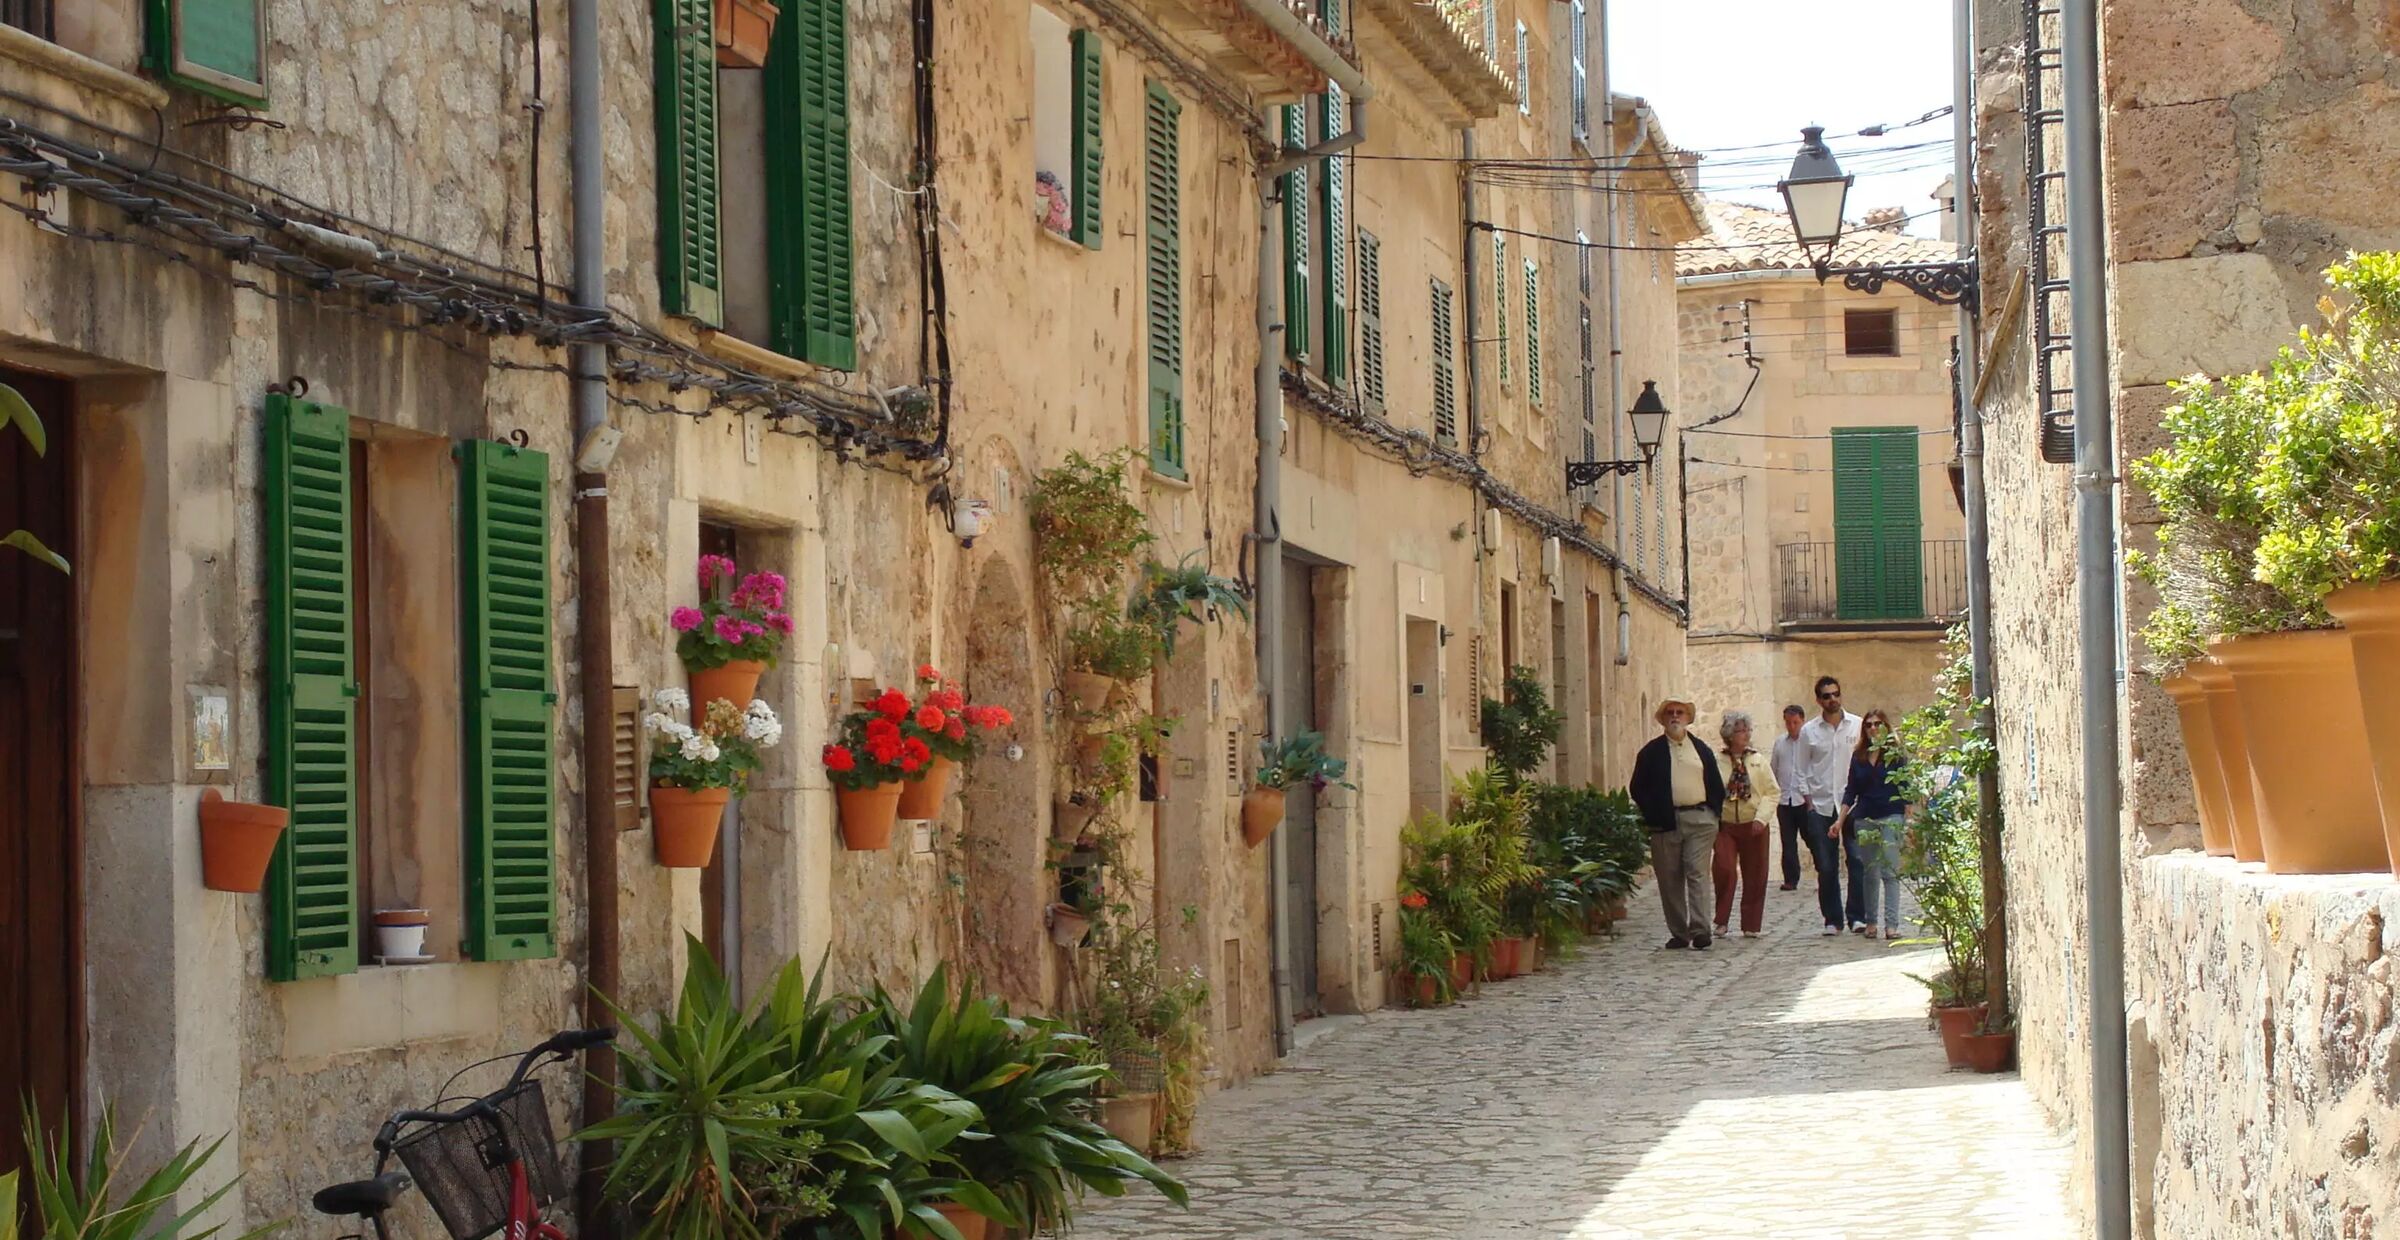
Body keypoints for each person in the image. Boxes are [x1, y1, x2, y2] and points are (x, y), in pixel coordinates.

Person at [1629, 696, 1726, 950]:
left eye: (1680, 712)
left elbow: (1715, 782)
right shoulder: (1651, 752)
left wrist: (1714, 813)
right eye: (1670, 712)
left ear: (1687, 718)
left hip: (1700, 819)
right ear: (1663, 719)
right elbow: (1638, 787)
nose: (1675, 716)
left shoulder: (1701, 749)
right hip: (1666, 822)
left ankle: (1701, 929)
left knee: (1697, 872)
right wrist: (1653, 814)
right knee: (1669, 878)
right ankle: (1679, 932)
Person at [1796, 675, 1864, 936]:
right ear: (1818, 700)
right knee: (1826, 865)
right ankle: (1832, 919)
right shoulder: (1808, 732)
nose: (1832, 699)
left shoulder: (1856, 726)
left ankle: (1857, 916)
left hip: (1853, 805)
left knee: (1857, 861)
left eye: (1835, 693)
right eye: (1826, 696)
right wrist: (1809, 803)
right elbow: (1801, 769)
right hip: (1822, 805)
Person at [1835, 710, 1912, 939]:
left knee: (1890, 872)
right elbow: (1851, 791)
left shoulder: (1895, 755)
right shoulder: (1858, 756)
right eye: (1868, 725)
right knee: (1869, 872)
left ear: (1886, 727)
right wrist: (1840, 821)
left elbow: (1905, 788)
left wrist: (1909, 820)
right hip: (1865, 818)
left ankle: (1892, 925)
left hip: (1891, 816)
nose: (1873, 728)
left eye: (1878, 724)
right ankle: (1871, 922)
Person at [1711, 710, 1778, 938]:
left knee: (1756, 874)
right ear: (1730, 734)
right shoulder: (1717, 761)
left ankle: (1751, 924)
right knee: (1724, 869)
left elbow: (1772, 792)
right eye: (1741, 730)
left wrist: (1762, 818)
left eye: (1748, 729)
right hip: (1726, 825)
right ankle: (1721, 920)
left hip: (1753, 823)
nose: (1746, 734)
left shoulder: (1758, 761)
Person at [1769, 704, 1810, 891]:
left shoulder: (1809, 743)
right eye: (1788, 722)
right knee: (1788, 841)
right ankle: (1791, 879)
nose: (1792, 726)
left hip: (1805, 799)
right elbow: (1774, 770)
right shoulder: (1779, 743)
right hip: (1785, 799)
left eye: (1795, 722)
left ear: (1802, 721)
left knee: (1812, 838)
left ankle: (1823, 874)